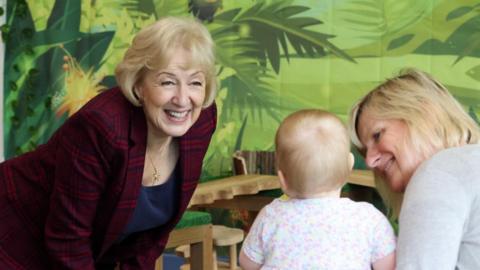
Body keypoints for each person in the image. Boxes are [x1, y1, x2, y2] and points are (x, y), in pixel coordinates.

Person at [0, 16, 217, 269]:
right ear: (139, 85)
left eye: (195, 82)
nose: (182, 99)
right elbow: (68, 241)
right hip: (13, 234)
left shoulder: (200, 122)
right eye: (167, 81)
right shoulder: (101, 128)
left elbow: (148, 240)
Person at [349, 68, 480, 269]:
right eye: (365, 151)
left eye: (377, 135)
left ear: (423, 110)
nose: (369, 161)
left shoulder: (438, 172)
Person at [239, 109, 396, 270]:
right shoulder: (369, 219)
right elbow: (389, 266)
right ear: (349, 166)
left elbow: (247, 263)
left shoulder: (271, 216)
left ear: (283, 179)